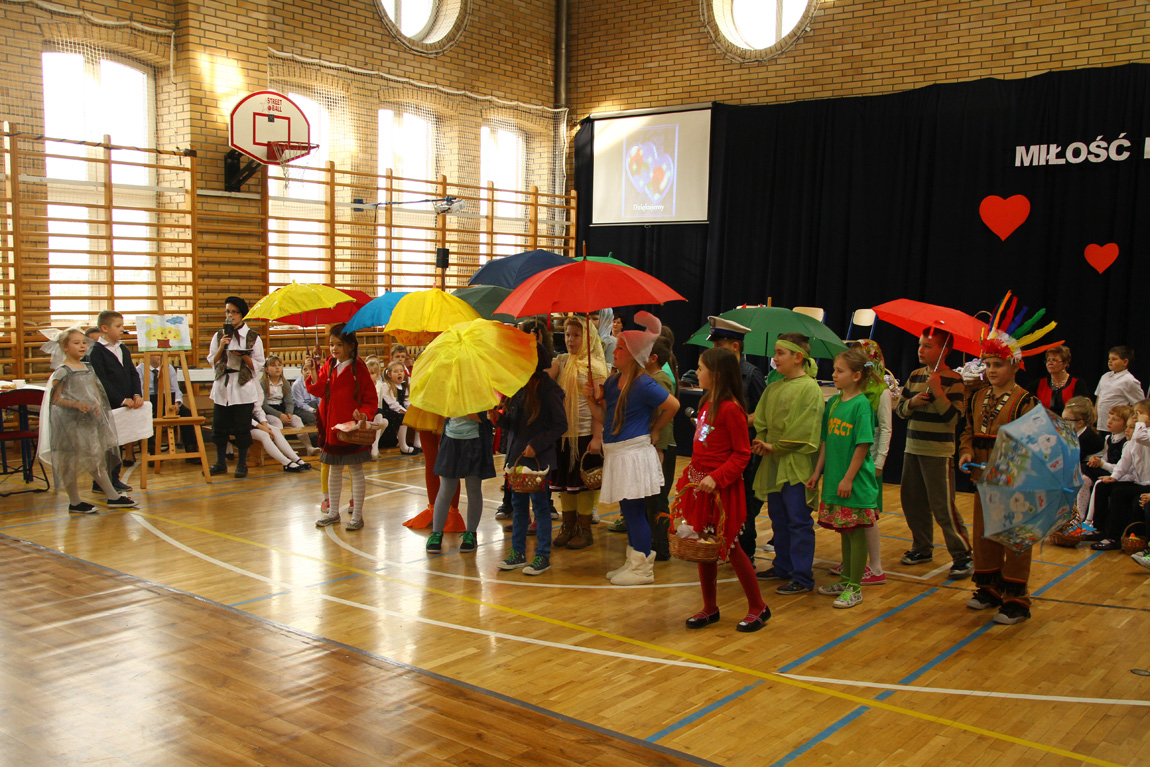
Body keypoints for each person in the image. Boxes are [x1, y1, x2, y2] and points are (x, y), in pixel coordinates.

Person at [958, 299, 1058, 625]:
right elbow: (968, 431)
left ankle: (1016, 600)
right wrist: (966, 452)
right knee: (984, 536)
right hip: (982, 481)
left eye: (998, 365)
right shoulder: (978, 397)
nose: (991, 370)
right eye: (987, 364)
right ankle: (989, 589)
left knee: (1014, 540)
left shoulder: (1026, 402)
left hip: (1015, 485)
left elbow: (1036, 445)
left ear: (1015, 366)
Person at [676, 347, 769, 631]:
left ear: (716, 375)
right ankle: (709, 607)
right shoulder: (707, 401)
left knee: (732, 546)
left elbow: (742, 454)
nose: (697, 372)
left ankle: (759, 607)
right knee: (705, 543)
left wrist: (716, 478)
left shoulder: (731, 409)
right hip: (702, 485)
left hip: (721, 489)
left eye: (701, 368)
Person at [587, 311, 679, 586]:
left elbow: (672, 405)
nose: (615, 352)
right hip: (617, 452)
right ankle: (634, 561)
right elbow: (604, 418)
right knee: (628, 511)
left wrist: (655, 429)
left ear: (634, 355)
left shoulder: (644, 383)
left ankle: (642, 568)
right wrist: (590, 400)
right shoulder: (613, 382)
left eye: (621, 349)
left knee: (635, 510)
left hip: (634, 453)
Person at [893, 328, 973, 578]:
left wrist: (937, 391)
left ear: (944, 351)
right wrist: (913, 403)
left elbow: (954, 418)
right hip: (913, 448)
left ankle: (962, 554)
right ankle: (922, 547)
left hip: (938, 453)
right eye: (920, 345)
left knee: (942, 506)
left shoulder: (954, 380)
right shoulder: (915, 375)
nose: (921, 350)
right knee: (912, 502)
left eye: (928, 346)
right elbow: (900, 410)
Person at [807, 348, 882, 609]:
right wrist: (817, 472)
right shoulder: (834, 403)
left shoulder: (862, 406)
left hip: (854, 482)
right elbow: (826, 441)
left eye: (840, 371)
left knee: (856, 533)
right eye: (834, 370)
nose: (834, 374)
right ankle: (846, 580)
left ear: (856, 375)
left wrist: (848, 478)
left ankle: (855, 588)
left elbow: (862, 445)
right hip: (835, 478)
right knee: (845, 532)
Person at [751, 333, 824, 596]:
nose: (775, 358)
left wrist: (776, 446)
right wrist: (762, 441)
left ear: (798, 357)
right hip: (773, 464)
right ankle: (782, 565)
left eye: (781, 353)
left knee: (798, 520)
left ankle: (802, 576)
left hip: (796, 466)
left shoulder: (810, 389)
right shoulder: (773, 387)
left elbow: (806, 428)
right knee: (778, 518)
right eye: (775, 352)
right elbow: (762, 420)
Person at [37, 327, 138, 512]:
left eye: (84, 342)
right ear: (65, 347)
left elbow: (93, 391)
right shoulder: (62, 372)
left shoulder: (88, 367)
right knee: (70, 463)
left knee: (95, 459)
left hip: (88, 422)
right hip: (69, 424)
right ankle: (75, 501)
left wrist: (97, 403)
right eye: (76, 343)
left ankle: (112, 496)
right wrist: (76, 404)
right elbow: (55, 399)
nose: (82, 346)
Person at [498, 344, 568, 575]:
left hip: (538, 460)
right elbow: (513, 424)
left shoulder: (549, 389)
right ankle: (518, 553)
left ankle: (542, 556)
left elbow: (560, 425)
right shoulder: (518, 386)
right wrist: (497, 419)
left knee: (540, 507)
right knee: (518, 506)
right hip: (517, 456)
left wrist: (536, 445)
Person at [829, 339, 893, 585]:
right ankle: (852, 565)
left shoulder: (881, 392)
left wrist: (879, 461)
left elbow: (885, 429)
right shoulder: (844, 394)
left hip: (868, 463)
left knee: (867, 515)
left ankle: (875, 567)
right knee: (850, 517)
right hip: (847, 462)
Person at [707, 316, 767, 565]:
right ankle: (722, 543)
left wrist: (736, 420)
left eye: (719, 345)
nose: (714, 349)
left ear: (735, 346)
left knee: (745, 502)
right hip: (720, 449)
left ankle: (746, 551)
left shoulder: (751, 374)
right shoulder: (715, 374)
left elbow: (763, 413)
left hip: (744, 449)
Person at [306, 323, 377, 531]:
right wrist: (313, 371)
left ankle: (357, 516)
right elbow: (319, 389)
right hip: (332, 428)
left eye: (339, 344)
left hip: (351, 430)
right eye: (331, 344)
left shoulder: (359, 368)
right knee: (334, 470)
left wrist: (363, 414)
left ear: (351, 346)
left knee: (356, 470)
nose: (334, 348)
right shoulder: (329, 364)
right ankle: (333, 513)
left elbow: (370, 399)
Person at [549, 315, 607, 551]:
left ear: (588, 338)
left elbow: (601, 406)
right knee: (566, 484)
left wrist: (597, 437)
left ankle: (584, 529)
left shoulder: (597, 367)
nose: (570, 340)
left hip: (585, 433)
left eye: (576, 335)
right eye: (567, 335)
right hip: (564, 434)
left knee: (583, 484)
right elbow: (544, 374)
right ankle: (568, 525)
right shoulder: (562, 361)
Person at [206, 296, 265, 479]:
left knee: (242, 427)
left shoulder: (253, 337)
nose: (230, 315)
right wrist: (221, 347)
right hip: (223, 385)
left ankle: (242, 465)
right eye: (227, 312)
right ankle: (220, 463)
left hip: (242, 386)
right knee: (219, 427)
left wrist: (243, 355)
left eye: (234, 312)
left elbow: (258, 364)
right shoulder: (219, 335)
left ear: (241, 314)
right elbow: (212, 361)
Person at [87, 309, 144, 492]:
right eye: (118, 326)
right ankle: (102, 482)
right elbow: (101, 380)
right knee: (108, 446)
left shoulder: (123, 348)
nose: (122, 329)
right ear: (105, 328)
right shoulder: (96, 352)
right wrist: (120, 399)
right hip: (109, 405)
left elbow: (133, 373)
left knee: (118, 442)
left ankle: (114, 478)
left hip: (126, 404)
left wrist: (136, 394)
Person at [426, 409, 496, 555]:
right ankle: (436, 533)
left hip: (476, 441)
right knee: (446, 488)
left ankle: (471, 533)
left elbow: (483, 417)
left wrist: (462, 409)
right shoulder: (450, 393)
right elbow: (445, 411)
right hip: (451, 439)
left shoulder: (482, 395)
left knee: (473, 488)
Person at [1087, 405, 1150, 551]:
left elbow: (1140, 436)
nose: (1128, 430)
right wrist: (1114, 477)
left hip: (1148, 484)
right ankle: (1099, 528)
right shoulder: (1132, 442)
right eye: (1127, 426)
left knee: (1119, 492)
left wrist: (1142, 421)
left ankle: (1115, 537)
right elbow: (1124, 462)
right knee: (1103, 486)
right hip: (1139, 482)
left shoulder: (1144, 435)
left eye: (1132, 427)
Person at [134, 353, 199, 464]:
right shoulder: (139, 370)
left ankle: (191, 450)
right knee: (146, 417)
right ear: (148, 355)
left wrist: (176, 403)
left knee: (186, 413)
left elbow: (176, 389)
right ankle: (152, 452)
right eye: (156, 353)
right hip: (149, 401)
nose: (159, 356)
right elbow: (140, 390)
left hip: (167, 400)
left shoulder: (169, 368)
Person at [645, 338, 678, 560]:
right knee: (651, 500)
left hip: (662, 447)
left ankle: (662, 546)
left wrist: (660, 447)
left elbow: (666, 416)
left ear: (653, 358)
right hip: (655, 446)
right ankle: (653, 542)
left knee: (658, 499)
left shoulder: (660, 380)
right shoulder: (650, 378)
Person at [1084, 404, 1131, 527]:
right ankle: (1079, 516)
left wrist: (1102, 464)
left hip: (1120, 474)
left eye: (1115, 419)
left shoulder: (1126, 443)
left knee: (1099, 484)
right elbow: (1105, 458)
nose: (1109, 421)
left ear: (1125, 425)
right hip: (1109, 470)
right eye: (1109, 417)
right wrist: (1096, 461)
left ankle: (1090, 521)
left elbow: (1122, 467)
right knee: (1084, 468)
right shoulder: (1109, 438)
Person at [259, 354, 312, 453]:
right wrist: (280, 415)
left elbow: (289, 402)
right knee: (277, 422)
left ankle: (308, 447)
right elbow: (263, 405)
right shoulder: (263, 383)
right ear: (266, 369)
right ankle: (283, 450)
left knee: (297, 419)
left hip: (282, 409)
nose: (277, 368)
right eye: (273, 365)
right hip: (268, 412)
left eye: (279, 365)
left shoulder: (285, 383)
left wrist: (289, 414)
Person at [249, 404, 311, 473]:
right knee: (264, 435)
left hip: (256, 421)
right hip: (244, 424)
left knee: (276, 430)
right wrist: (262, 427)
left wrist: (265, 425)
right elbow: (242, 415)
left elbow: (258, 409)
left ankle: (296, 459)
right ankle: (286, 462)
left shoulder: (255, 397)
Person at [1094, 345, 1143, 430]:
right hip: (1102, 424)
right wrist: (1095, 415)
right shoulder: (1105, 376)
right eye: (1109, 359)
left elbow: (1139, 403)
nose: (1110, 361)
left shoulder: (1129, 380)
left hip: (1118, 426)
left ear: (1125, 362)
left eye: (1114, 359)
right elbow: (1099, 397)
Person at [1028, 345, 1079, 413]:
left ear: (1065, 363)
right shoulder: (1040, 383)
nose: (1050, 363)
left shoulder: (1076, 384)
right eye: (1048, 360)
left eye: (1054, 360)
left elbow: (1082, 409)